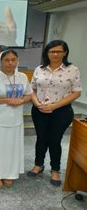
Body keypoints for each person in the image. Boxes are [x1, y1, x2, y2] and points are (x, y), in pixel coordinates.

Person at [27, 40, 82, 187]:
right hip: (39, 110)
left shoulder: (72, 69)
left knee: (54, 139)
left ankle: (55, 169)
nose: (56, 54)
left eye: (59, 51)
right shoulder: (39, 69)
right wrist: (37, 103)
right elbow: (31, 90)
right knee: (41, 138)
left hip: (61, 111)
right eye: (52, 51)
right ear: (47, 53)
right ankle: (38, 164)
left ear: (65, 53)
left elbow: (76, 92)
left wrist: (54, 105)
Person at [0, 50, 32, 189]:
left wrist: (21, 101)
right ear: (1, 62)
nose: (10, 63)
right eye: (7, 60)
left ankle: (9, 173)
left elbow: (29, 95)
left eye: (13, 60)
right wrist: (7, 100)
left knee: (11, 147)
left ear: (17, 61)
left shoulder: (22, 76)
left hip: (15, 119)